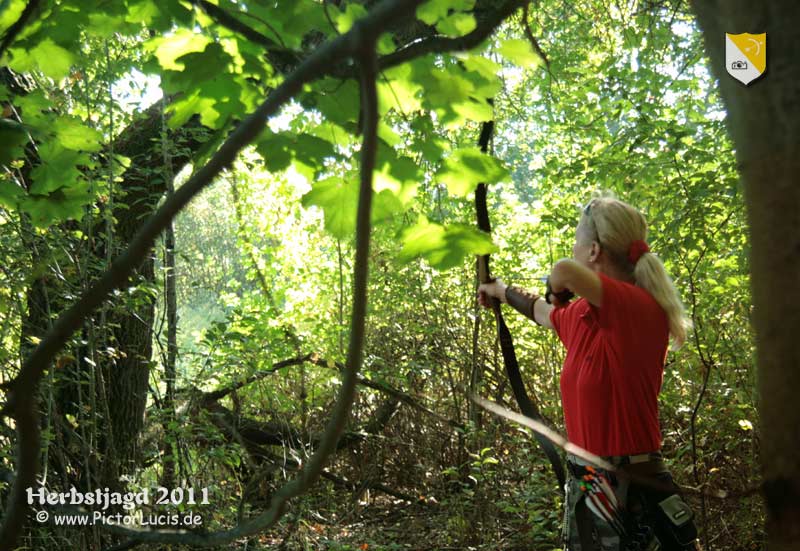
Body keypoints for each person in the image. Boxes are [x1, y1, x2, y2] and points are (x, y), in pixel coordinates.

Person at [477, 196, 698, 551]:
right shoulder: (582, 315)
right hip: (590, 488)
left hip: (631, 490)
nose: (574, 248)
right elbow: (542, 311)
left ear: (593, 250)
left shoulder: (638, 306)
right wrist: (500, 291)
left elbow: (563, 270)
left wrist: (555, 286)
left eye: (578, 241)